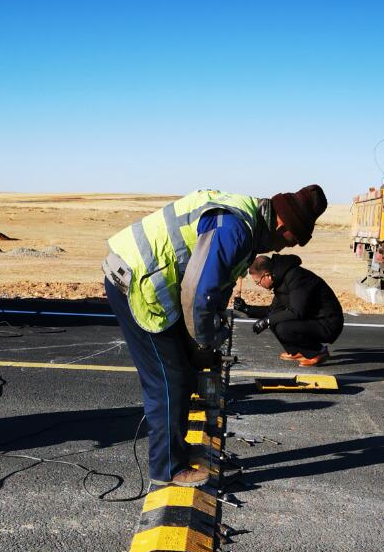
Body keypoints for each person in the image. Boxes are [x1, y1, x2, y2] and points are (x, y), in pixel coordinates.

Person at [103, 185, 327, 486]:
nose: (284, 249)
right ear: (282, 225)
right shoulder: (236, 228)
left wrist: (208, 334)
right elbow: (200, 295)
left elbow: (216, 284)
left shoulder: (243, 223)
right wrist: (204, 342)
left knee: (181, 368)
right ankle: (167, 468)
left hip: (150, 281)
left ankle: (175, 450)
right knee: (171, 380)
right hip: (138, 283)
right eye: (291, 241)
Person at [248, 254, 344, 366]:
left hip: (328, 322)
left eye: (257, 282)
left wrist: (267, 321)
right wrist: (247, 309)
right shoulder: (280, 281)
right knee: (274, 318)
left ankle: (318, 352)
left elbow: (297, 312)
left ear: (267, 275)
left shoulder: (297, 278)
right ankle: (298, 351)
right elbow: (272, 310)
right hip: (312, 318)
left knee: (283, 327)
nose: (258, 285)